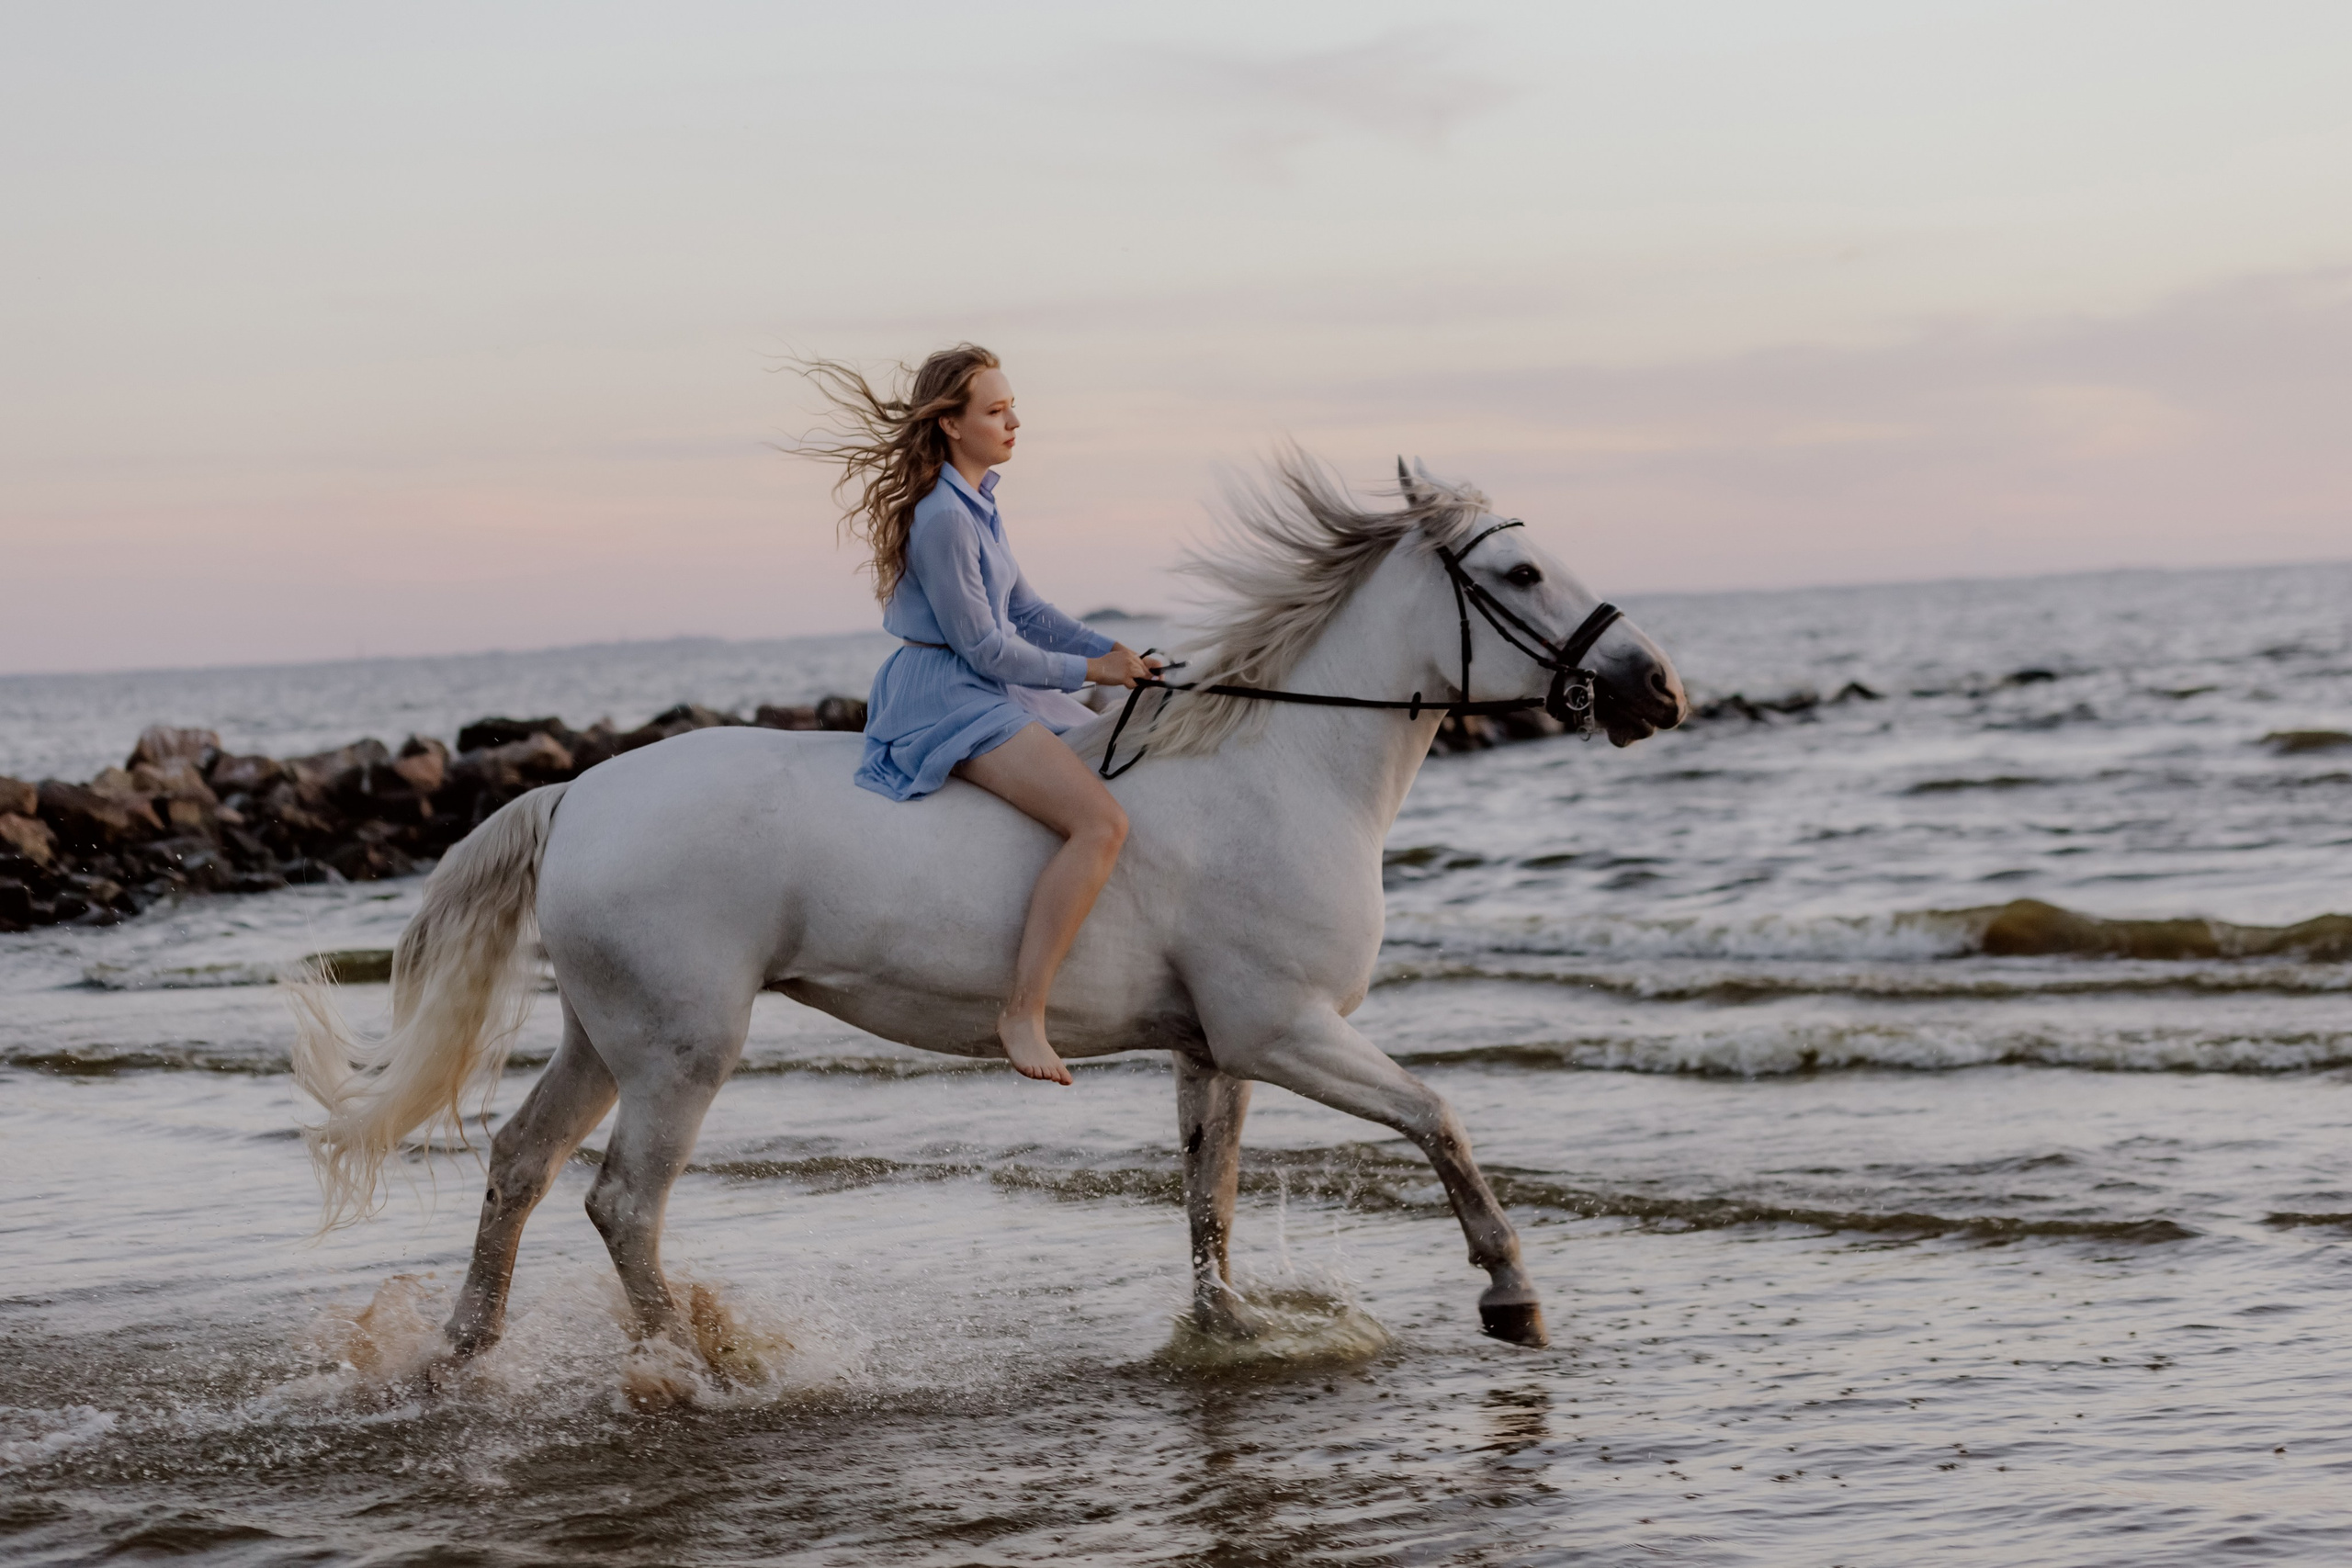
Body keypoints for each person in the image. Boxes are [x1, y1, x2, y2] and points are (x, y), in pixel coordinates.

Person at [796, 344, 1159, 1086]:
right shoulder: (943, 520)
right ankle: (1023, 1011)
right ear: (953, 425)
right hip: (947, 693)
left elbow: (1026, 608)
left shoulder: (979, 501)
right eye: (996, 410)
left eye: (1011, 405)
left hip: (982, 684)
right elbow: (989, 647)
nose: (1015, 421)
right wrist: (1092, 671)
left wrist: (1115, 651)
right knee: (1102, 822)